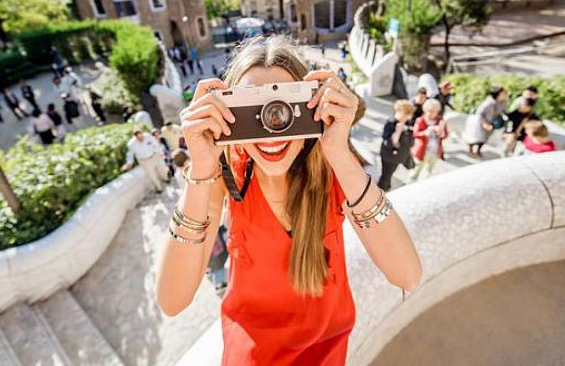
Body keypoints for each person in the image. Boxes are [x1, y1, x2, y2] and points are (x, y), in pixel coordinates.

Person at [156, 36, 421, 364]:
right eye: (253, 109)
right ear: (228, 112)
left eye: (283, 108)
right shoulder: (228, 172)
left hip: (326, 346)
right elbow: (172, 300)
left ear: (312, 103)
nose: (272, 128)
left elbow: (406, 275)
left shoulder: (332, 165)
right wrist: (201, 168)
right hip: (250, 348)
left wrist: (338, 151)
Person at [377, 100, 415, 191]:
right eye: (407, 114)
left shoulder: (408, 122)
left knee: (389, 174)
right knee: (386, 175)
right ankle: (381, 191)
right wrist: (398, 130)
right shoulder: (391, 123)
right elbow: (390, 142)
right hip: (390, 156)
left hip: (399, 156)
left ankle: (386, 187)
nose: (409, 116)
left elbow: (410, 140)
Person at [462, 87, 508, 157]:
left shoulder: (504, 102)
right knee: (476, 137)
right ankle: (470, 147)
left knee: (485, 138)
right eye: (503, 93)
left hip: (492, 121)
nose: (505, 94)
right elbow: (479, 115)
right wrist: (484, 124)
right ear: (498, 95)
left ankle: (478, 150)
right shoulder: (487, 104)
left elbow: (503, 111)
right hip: (481, 122)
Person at [121, 127, 169, 192]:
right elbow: (130, 155)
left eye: (140, 134)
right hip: (144, 161)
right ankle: (159, 187)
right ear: (135, 136)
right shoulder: (131, 144)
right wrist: (129, 163)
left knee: (162, 169)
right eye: (137, 135)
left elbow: (156, 144)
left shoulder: (148, 136)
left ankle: (165, 178)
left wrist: (161, 153)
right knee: (151, 175)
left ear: (142, 133)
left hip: (154, 156)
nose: (139, 136)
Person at [410, 99, 448, 181]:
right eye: (430, 111)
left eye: (435, 111)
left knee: (429, 171)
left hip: (435, 150)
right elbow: (415, 134)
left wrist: (441, 132)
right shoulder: (420, 120)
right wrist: (425, 132)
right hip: (422, 150)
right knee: (416, 170)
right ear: (425, 110)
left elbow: (445, 135)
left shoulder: (440, 120)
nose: (432, 113)